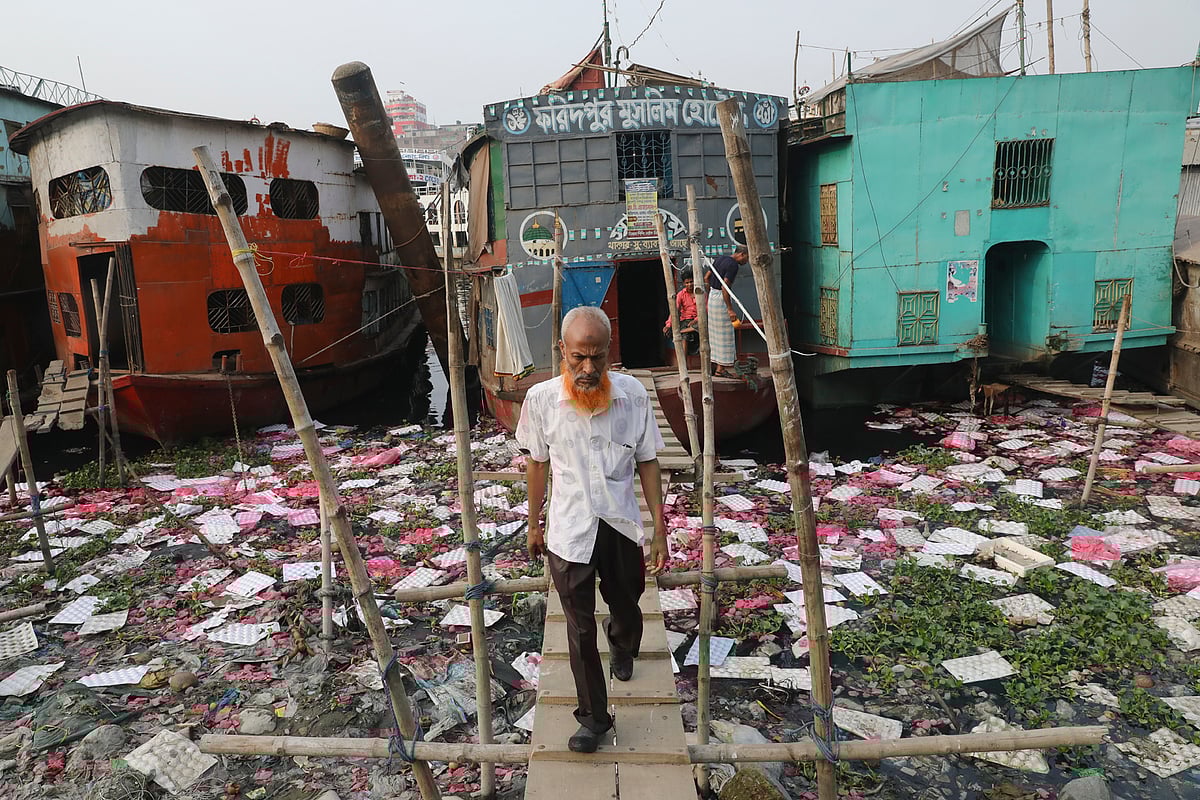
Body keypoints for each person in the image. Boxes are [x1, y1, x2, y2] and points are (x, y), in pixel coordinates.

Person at [516, 306, 668, 754]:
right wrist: (534, 523)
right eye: (578, 357)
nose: (588, 368)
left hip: (619, 522)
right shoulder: (542, 400)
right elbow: (537, 464)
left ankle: (622, 643)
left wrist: (659, 527)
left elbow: (648, 460)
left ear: (609, 353)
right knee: (579, 628)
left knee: (627, 601)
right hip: (568, 527)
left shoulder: (633, 395)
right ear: (563, 350)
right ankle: (594, 719)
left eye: (598, 358)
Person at [705, 246, 749, 378]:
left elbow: (706, 277)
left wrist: (712, 293)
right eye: (747, 257)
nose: (747, 261)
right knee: (725, 335)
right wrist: (730, 309)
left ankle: (714, 365)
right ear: (741, 254)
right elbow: (725, 288)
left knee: (714, 334)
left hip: (712, 296)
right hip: (721, 299)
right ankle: (720, 369)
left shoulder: (720, 259)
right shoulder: (733, 265)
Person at [662, 274, 699, 355]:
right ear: (683, 284)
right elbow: (675, 311)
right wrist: (668, 324)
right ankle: (684, 365)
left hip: (698, 320)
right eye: (687, 283)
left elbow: (705, 310)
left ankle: (683, 331)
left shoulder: (700, 292)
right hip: (685, 321)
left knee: (703, 324)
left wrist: (695, 320)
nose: (690, 284)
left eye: (691, 282)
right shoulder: (681, 294)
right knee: (684, 337)